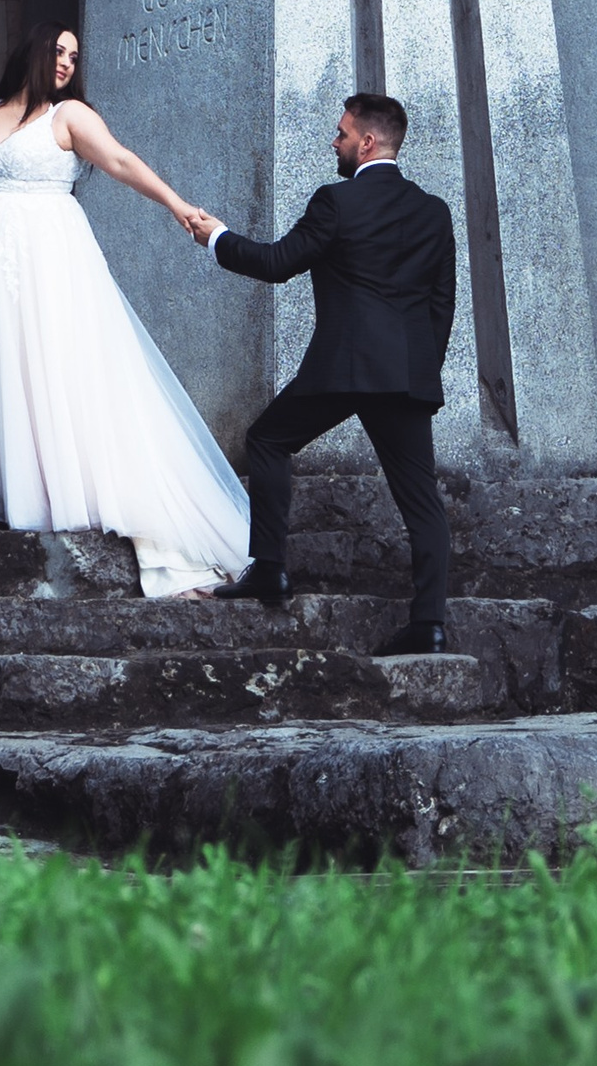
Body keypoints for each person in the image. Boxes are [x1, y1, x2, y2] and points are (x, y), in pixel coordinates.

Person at [0, 19, 250, 599]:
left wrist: (178, 206)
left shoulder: (70, 117)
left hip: (47, 257)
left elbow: (122, 163)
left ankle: (56, 484)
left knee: (48, 363)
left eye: (74, 57)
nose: (66, 64)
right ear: (32, 49)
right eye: (58, 52)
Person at [186, 89, 457, 655]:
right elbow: (441, 303)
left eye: (340, 133)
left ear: (367, 142)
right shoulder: (433, 211)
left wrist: (215, 237)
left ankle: (270, 568)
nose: (333, 142)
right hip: (405, 375)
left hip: (344, 367)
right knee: (421, 501)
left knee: (267, 438)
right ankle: (430, 625)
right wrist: (419, 374)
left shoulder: (336, 202)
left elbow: (277, 264)